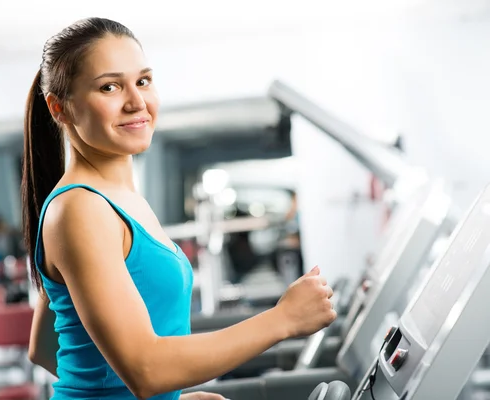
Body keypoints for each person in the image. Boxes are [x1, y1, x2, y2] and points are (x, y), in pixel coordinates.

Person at [22, 17, 337, 400]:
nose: (137, 102)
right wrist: (282, 320)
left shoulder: (117, 201)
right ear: (60, 109)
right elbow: (145, 369)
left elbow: (47, 347)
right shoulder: (79, 209)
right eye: (110, 86)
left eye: (143, 81)